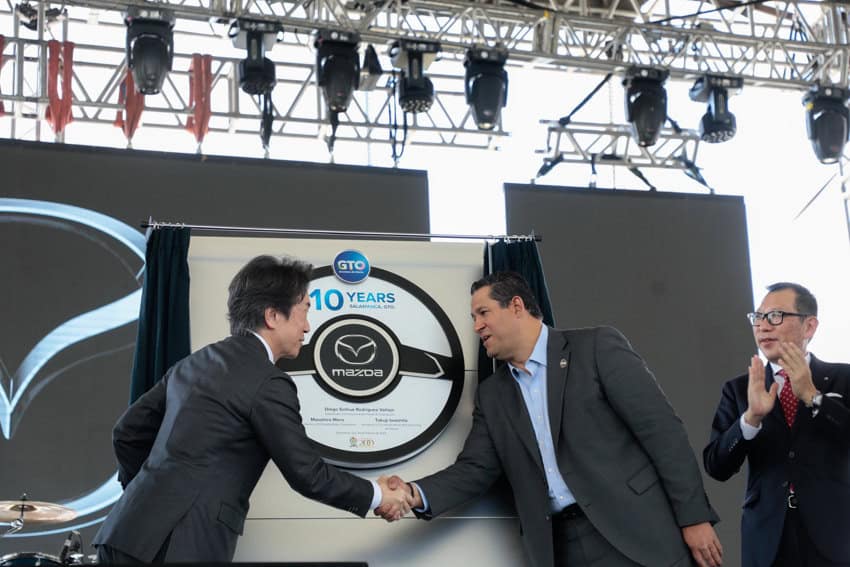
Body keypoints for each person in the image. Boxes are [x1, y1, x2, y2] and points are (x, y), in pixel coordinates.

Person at [378, 271, 722, 567]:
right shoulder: (492, 394)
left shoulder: (596, 348)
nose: (477, 325)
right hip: (560, 547)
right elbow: (474, 470)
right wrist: (412, 492)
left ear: (516, 306)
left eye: (483, 312)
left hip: (637, 533)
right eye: (473, 318)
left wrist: (694, 517)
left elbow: (663, 433)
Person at [93, 255, 412, 563]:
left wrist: (153, 497)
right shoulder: (267, 381)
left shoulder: (197, 362)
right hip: (180, 545)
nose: (308, 326)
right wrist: (379, 496)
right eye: (304, 311)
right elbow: (307, 474)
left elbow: (128, 431)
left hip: (125, 532)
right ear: (273, 316)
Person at [703, 282, 850, 567]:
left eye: (775, 316)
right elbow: (715, 466)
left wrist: (814, 397)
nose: (763, 326)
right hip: (768, 539)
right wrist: (750, 419)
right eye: (757, 318)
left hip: (836, 534)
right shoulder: (739, 390)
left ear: (809, 327)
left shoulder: (844, 378)